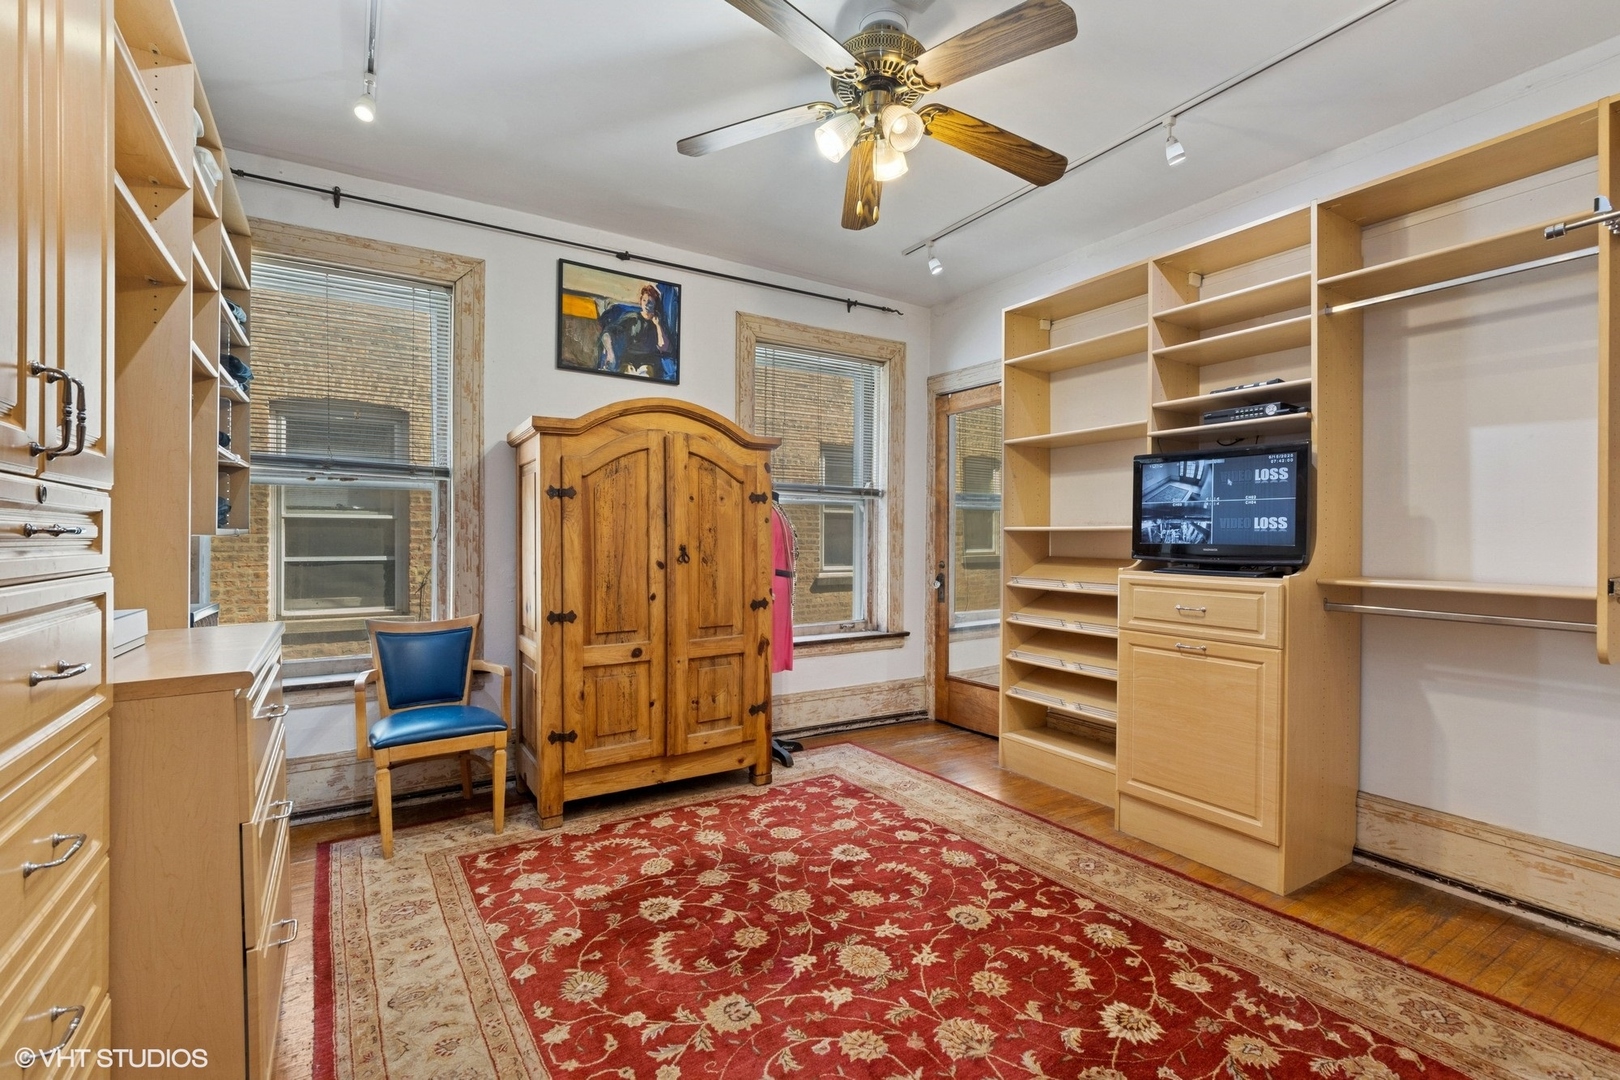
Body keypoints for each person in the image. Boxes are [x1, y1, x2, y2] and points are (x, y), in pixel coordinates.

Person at [599, 283, 676, 379]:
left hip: (648, 363)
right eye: (644, 300)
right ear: (640, 302)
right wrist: (610, 353)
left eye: (650, 302)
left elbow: (664, 348)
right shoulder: (632, 317)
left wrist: (658, 325)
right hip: (628, 360)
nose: (646, 304)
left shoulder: (658, 322)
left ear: (655, 304)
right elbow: (609, 333)